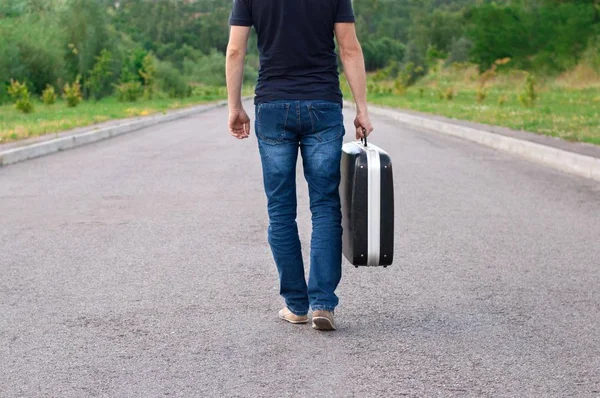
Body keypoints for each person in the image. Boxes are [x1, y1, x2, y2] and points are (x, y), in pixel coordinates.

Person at [226, 0, 373, 331]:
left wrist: (234, 106)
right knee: (324, 206)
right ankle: (322, 303)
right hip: (322, 105)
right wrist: (362, 109)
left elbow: (236, 50)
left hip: (273, 106)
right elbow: (349, 48)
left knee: (280, 210)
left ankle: (296, 305)